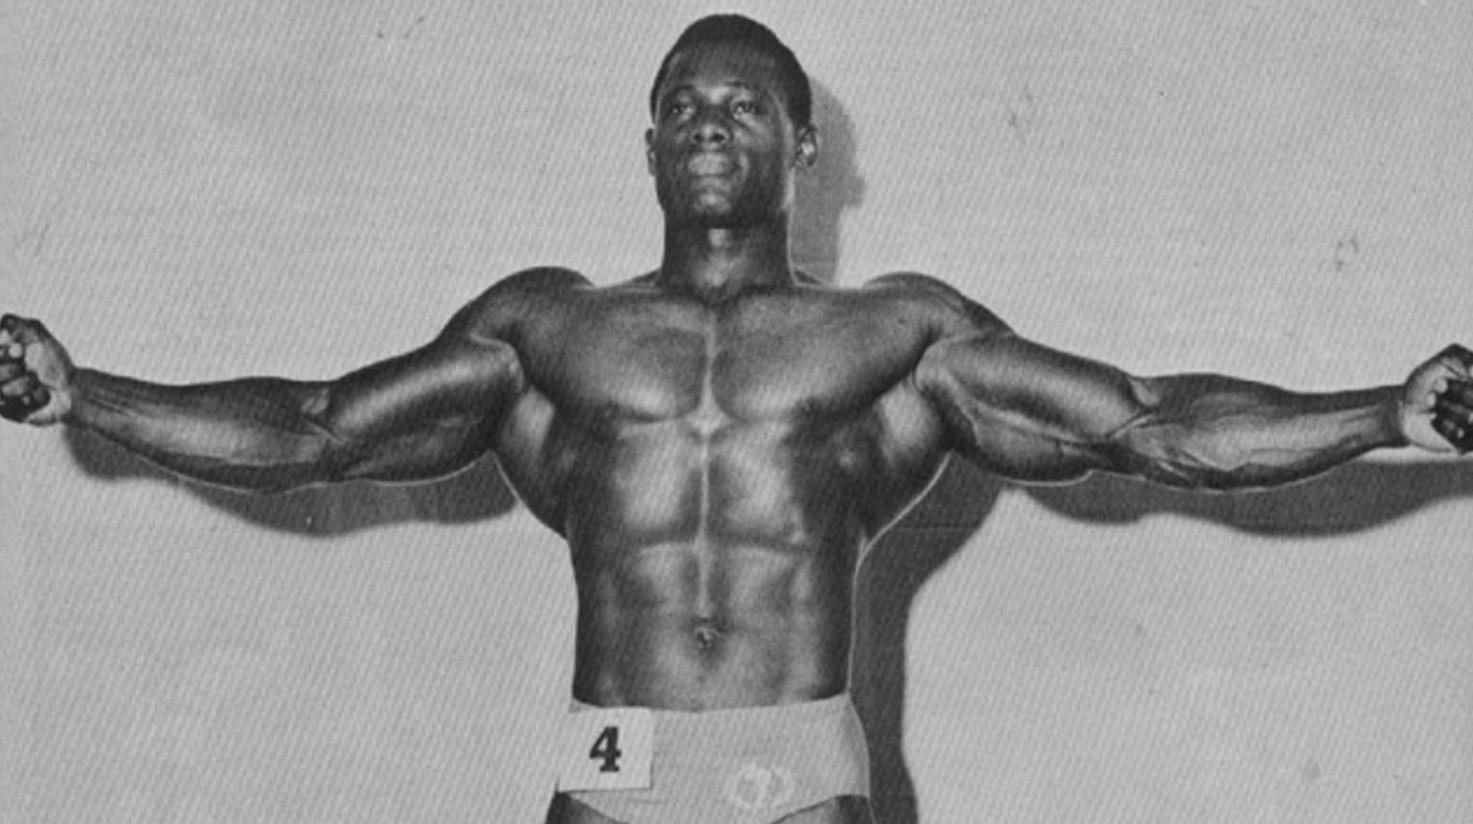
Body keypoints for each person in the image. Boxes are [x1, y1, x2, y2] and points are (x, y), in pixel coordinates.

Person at [3, 13, 1472, 824]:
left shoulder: (896, 337)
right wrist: (87, 395)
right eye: (685, 102)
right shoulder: (544, 331)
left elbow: (1147, 425)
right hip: (613, 771)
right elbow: (320, 429)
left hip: (800, 775)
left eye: (747, 102)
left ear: (802, 145)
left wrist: (1385, 415)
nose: (712, 117)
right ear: (648, 143)